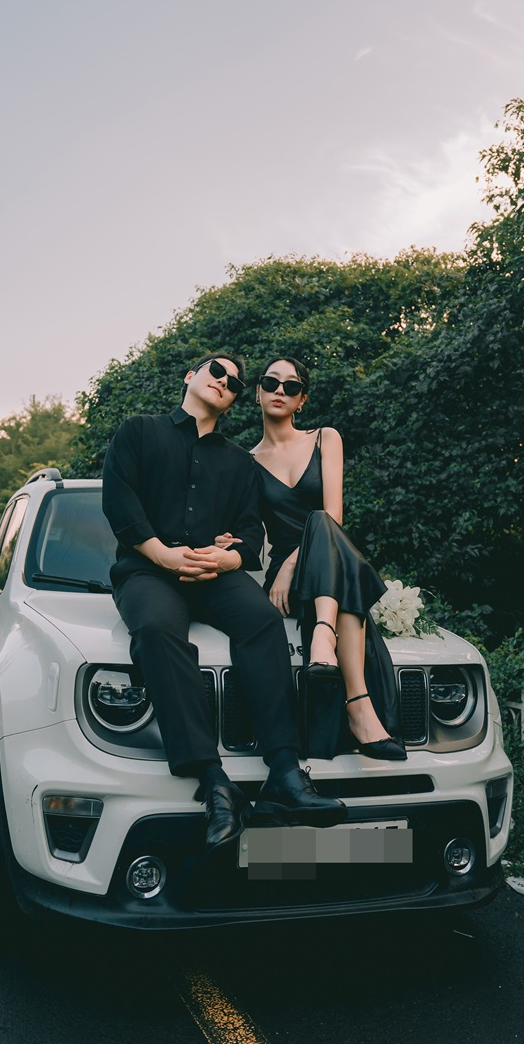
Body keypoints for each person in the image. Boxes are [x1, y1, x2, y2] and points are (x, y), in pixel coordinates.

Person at [102, 352, 346, 850]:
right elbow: (119, 500)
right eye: (217, 371)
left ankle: (284, 771)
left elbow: (251, 532)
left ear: (236, 399)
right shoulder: (139, 431)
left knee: (261, 620)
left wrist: (230, 557)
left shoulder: (239, 462)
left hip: (215, 575)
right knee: (155, 628)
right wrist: (164, 555)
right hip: (148, 571)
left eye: (234, 382)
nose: (224, 382)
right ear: (190, 375)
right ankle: (215, 782)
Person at [218, 356, 405, 760]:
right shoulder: (246, 462)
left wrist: (290, 564)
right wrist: (224, 542)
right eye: (271, 383)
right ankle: (359, 708)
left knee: (322, 521)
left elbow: (334, 515)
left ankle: (324, 635)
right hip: (293, 583)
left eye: (291, 386)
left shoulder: (325, 438)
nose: (280, 391)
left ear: (301, 399)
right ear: (258, 392)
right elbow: (247, 529)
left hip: (324, 557)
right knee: (343, 578)